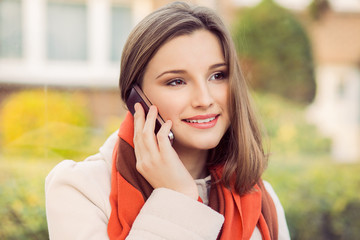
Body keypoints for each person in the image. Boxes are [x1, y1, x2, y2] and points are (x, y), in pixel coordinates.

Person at [45, 2, 290, 239]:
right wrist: (177, 198)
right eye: (176, 81)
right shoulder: (80, 189)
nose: (204, 99)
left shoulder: (262, 201)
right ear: (136, 98)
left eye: (217, 75)